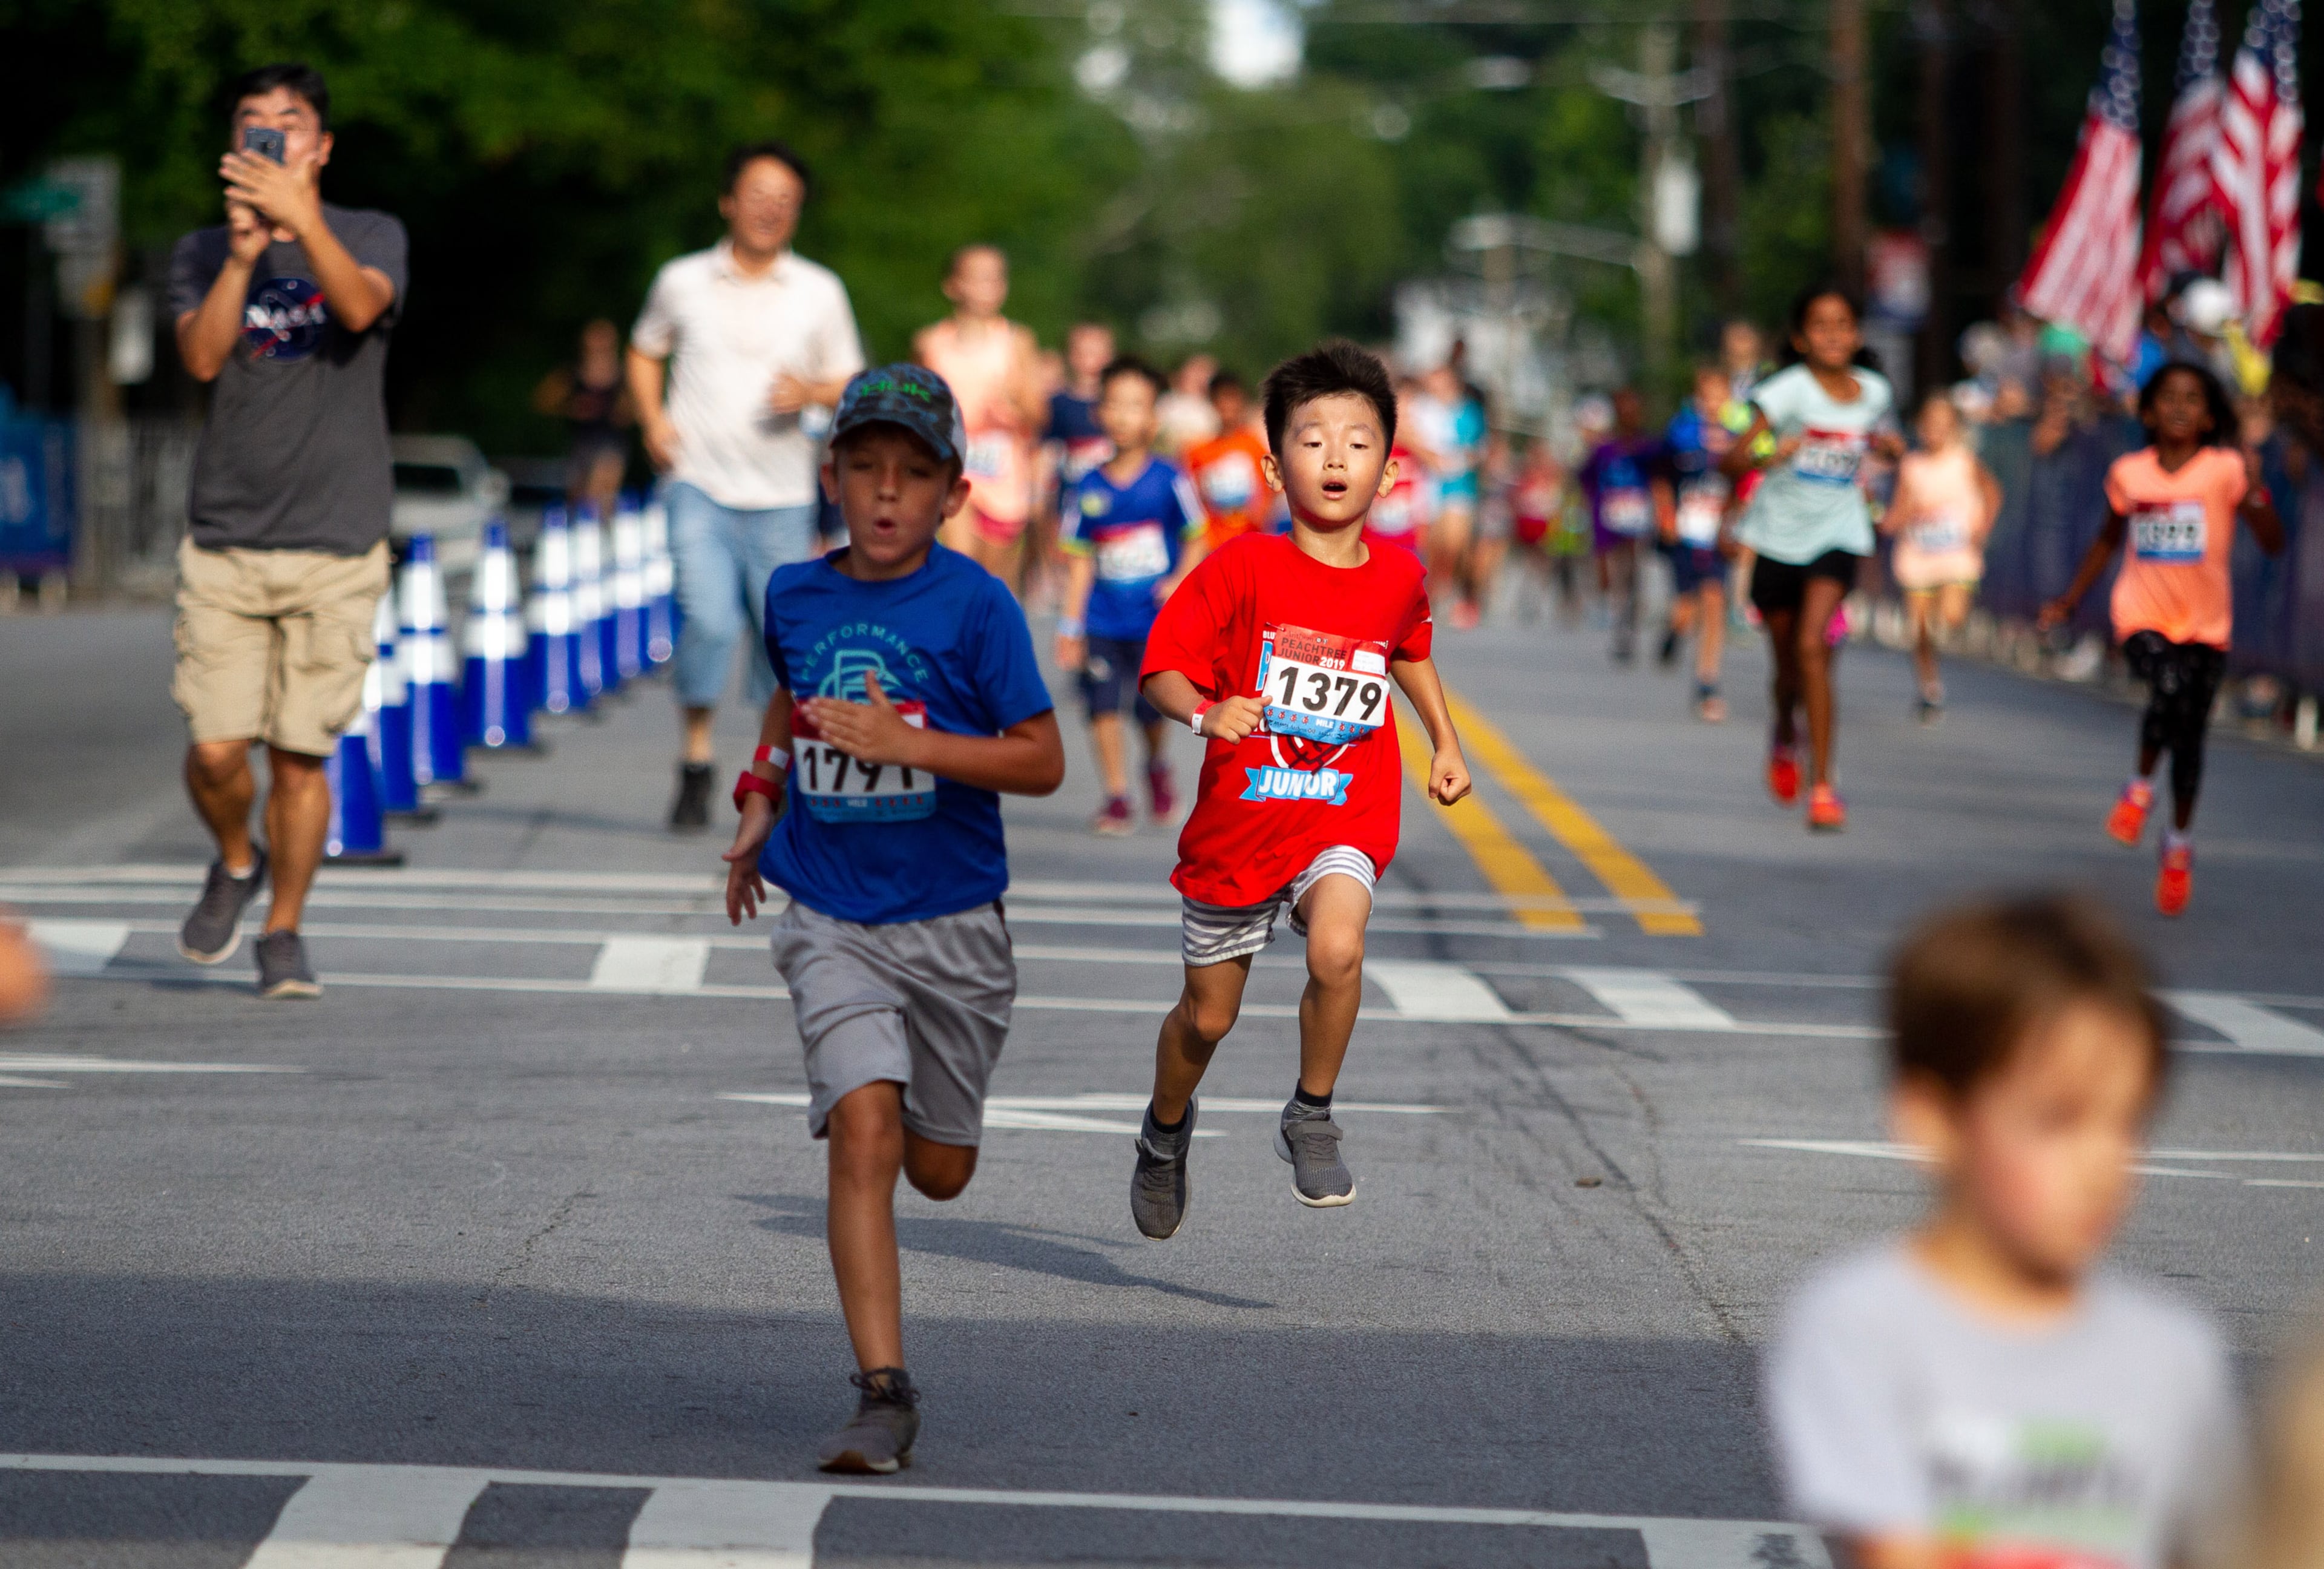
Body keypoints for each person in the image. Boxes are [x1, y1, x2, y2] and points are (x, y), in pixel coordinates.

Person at [719, 364, 1065, 1473]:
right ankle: (882, 1391)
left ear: (952, 495)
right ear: (830, 477)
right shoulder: (795, 593)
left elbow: (1043, 760)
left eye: (912, 475)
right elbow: (790, 697)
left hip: (955, 921)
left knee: (942, 1171)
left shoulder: (977, 606)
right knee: (862, 1128)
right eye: (865, 468)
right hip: (831, 907)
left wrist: (908, 744)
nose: (885, 493)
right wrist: (760, 798)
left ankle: (941, 1124)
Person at [1765, 893, 2242, 1569]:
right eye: (2058, 1122)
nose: (2102, 1165)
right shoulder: (1862, 1324)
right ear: (1932, 1121)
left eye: (2126, 1123)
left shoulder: (2175, 1354)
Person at [1128, 340, 1471, 1236]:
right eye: (1312, 441)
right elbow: (1161, 669)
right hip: (1240, 828)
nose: (1335, 458)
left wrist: (1445, 741)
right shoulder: (1241, 567)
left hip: (1341, 814)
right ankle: (1165, 1131)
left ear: (1391, 471)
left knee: (1339, 951)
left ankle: (1311, 1112)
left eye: (1357, 443)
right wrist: (1207, 716)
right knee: (1207, 1019)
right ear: (1276, 467)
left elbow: (1410, 650)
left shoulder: (1398, 576)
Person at [166, 62, 407, 999]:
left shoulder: (370, 233)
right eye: (254, 125)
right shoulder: (199, 248)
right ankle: (236, 858)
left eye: (291, 124)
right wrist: (240, 256)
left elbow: (357, 307)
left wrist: (299, 225)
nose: (273, 137)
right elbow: (198, 356)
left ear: (322, 145)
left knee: (301, 758)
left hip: (337, 538)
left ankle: (285, 930)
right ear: (235, 148)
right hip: (225, 536)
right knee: (218, 749)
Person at [629, 139, 865, 832]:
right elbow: (645, 349)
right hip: (697, 480)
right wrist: (652, 422)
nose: (770, 209)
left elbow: (852, 379)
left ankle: (772, 766)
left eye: (785, 201)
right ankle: (697, 757)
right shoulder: (682, 281)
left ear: (796, 214)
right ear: (729, 202)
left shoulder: (820, 291)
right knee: (704, 617)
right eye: (758, 195)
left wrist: (812, 389)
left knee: (781, 639)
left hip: (784, 493)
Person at [2037, 362, 2282, 917]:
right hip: (2141, 614)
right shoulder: (2130, 472)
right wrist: (2072, 598)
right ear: (2147, 411)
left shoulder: (2224, 471)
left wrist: (2259, 486)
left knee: (2191, 736)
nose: (2179, 407)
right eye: (2168, 398)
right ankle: (2140, 787)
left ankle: (2178, 843)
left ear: (2210, 416)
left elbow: (2270, 541)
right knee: (2166, 688)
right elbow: (2106, 540)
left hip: (2206, 624)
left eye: (2192, 399)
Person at [1721, 284, 1902, 833]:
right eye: (1820, 326)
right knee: (1787, 669)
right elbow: (1732, 458)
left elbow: (1883, 438)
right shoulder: (1786, 392)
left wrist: (1891, 450)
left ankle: (1824, 785)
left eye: (1843, 324)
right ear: (1801, 338)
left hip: (1839, 533)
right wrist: (1769, 453)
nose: (1833, 334)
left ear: (1857, 334)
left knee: (1812, 646)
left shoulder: (1873, 392)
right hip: (1777, 537)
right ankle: (1783, 726)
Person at [1055, 358, 1206, 835]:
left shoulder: (1170, 479)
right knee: (1101, 705)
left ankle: (1157, 765)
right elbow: (1080, 560)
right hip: (1102, 619)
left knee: (1149, 711)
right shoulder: (1088, 486)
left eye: (1135, 406)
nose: (1123, 415)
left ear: (1152, 419)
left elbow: (1197, 535)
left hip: (1154, 621)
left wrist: (1179, 579)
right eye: (1114, 405)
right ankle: (1117, 795)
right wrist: (1070, 625)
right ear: (1099, 414)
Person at [913, 245, 1045, 592]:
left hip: (1002, 471)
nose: (989, 285)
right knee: (961, 568)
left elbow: (1038, 413)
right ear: (953, 285)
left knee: (995, 587)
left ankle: (988, 642)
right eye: (978, 277)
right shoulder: (930, 342)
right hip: (951, 465)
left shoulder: (1017, 341)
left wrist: (1012, 410)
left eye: (996, 277)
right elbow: (914, 404)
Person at [1883, 393, 2000, 723]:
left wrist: (1982, 529)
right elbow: (1900, 509)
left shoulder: (1964, 461)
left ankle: (1937, 657)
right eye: (1928, 425)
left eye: (1941, 425)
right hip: (1918, 556)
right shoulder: (1912, 465)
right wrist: (1885, 521)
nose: (1933, 431)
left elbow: (1993, 494)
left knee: (1950, 618)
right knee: (1919, 630)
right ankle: (1930, 688)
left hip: (1956, 555)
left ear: (1952, 429)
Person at [1576, 387, 1673, 666]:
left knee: (1633, 572)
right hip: (1609, 520)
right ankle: (1618, 619)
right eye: (1622, 409)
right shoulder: (1604, 450)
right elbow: (1586, 479)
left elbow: (1662, 477)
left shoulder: (1650, 448)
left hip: (1639, 519)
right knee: (1611, 574)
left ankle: (1628, 627)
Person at [1662, 364, 1737, 721]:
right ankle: (1673, 632)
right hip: (1687, 530)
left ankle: (1707, 682)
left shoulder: (1738, 434)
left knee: (1714, 601)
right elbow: (1661, 474)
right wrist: (1665, 514)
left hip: (1719, 533)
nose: (1714, 403)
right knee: (1686, 607)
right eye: (1707, 395)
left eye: (1721, 396)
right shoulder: (1682, 431)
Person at [1412, 360, 1489, 627]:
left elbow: (1479, 448)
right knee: (1432, 545)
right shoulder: (1422, 409)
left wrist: (1457, 462)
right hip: (1429, 486)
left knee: (1455, 544)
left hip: (1459, 487)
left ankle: (1456, 592)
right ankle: (1432, 594)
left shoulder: (1470, 412)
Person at [533, 318, 634, 521]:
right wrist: (573, 408)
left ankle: (600, 536)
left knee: (599, 498)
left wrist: (620, 412)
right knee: (578, 501)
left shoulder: (623, 374)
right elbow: (542, 401)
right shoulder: (573, 373)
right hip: (581, 444)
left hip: (611, 444)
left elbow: (633, 413)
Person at [1180, 369, 1275, 551]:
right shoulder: (1198, 452)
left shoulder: (1255, 446)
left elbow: (1272, 490)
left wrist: (1262, 517)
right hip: (1215, 547)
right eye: (1221, 399)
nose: (1227, 406)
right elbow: (1191, 500)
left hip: (1252, 540)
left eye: (1232, 398)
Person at [1155, 353, 1222, 456]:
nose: (1199, 376)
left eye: (1205, 372)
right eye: (1195, 370)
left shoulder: (1214, 408)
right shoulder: (1165, 403)